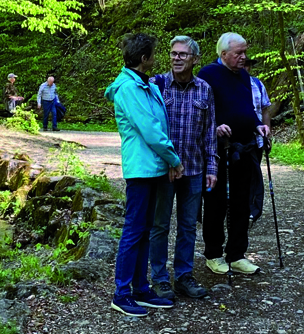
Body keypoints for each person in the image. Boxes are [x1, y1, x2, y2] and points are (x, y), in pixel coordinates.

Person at [104, 32, 183, 317]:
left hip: (154, 168)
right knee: (133, 230)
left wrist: (167, 162)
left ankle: (140, 288)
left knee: (145, 230)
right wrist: (174, 159)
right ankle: (121, 293)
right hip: (141, 170)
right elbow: (150, 130)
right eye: (153, 54)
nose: (156, 58)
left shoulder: (145, 85)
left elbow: (159, 124)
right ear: (143, 58)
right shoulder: (128, 88)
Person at [148, 35, 217, 300]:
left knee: (188, 225)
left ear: (195, 59)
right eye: (173, 54)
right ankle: (160, 279)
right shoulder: (157, 85)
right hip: (163, 170)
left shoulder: (204, 89)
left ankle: (184, 276)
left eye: (183, 55)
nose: (176, 58)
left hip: (195, 168)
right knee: (160, 225)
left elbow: (209, 132)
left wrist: (212, 166)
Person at [197, 32, 268, 276]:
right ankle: (214, 254)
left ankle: (237, 254)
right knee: (215, 202)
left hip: (245, 147)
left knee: (241, 201)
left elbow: (247, 110)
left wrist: (257, 124)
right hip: (218, 150)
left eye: (244, 52)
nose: (244, 57)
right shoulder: (208, 74)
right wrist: (215, 126)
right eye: (239, 53)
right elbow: (200, 110)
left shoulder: (244, 76)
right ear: (223, 53)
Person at [244, 57, 270, 222]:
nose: (245, 67)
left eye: (248, 64)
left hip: (257, 139)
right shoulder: (228, 84)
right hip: (236, 138)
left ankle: (253, 208)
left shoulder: (258, 85)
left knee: (254, 174)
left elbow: (265, 109)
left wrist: (267, 133)